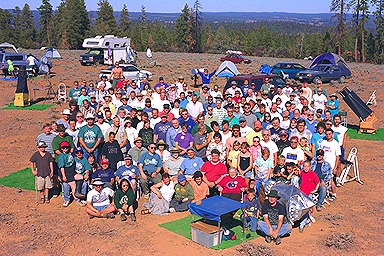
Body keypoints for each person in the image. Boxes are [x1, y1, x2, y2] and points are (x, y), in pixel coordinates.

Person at [320, 128, 341, 201]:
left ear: (332, 134)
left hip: (331, 164)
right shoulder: (323, 142)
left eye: (329, 134)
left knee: (331, 179)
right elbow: (320, 153)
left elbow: (337, 156)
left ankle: (334, 193)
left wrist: (335, 167)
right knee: (322, 179)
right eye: (327, 134)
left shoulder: (335, 144)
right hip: (323, 164)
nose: (328, 135)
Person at [58, 141, 76, 207]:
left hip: (71, 172)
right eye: (63, 148)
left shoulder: (69, 154)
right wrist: (63, 176)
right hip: (65, 172)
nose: (65, 149)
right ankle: (67, 199)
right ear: (61, 149)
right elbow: (61, 167)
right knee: (67, 185)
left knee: (72, 185)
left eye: (66, 147)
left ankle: (76, 198)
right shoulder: (61, 156)